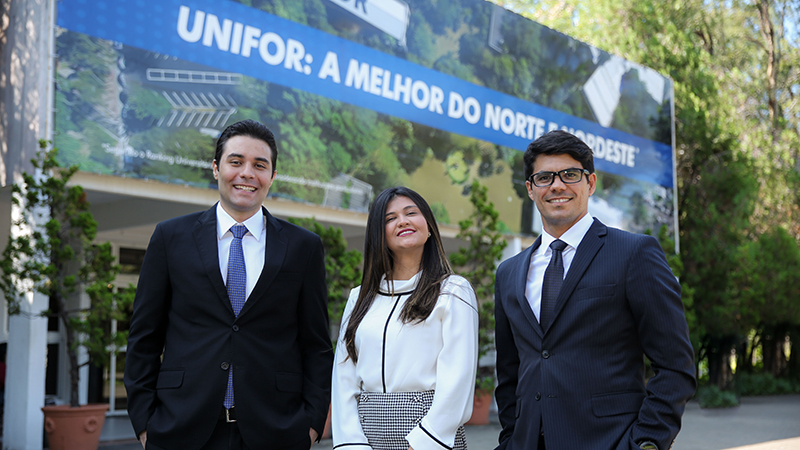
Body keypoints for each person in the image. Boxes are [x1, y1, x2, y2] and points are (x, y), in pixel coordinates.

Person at [124, 119, 333, 450]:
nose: (247, 173)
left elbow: (316, 344)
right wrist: (144, 424)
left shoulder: (303, 247)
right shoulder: (170, 237)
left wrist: (310, 424)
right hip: (180, 428)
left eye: (259, 165)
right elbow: (144, 338)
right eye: (236, 162)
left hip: (277, 431)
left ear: (272, 176)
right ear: (216, 168)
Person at [493, 130, 696, 450]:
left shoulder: (634, 253)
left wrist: (646, 443)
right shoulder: (509, 273)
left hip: (609, 442)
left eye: (570, 174)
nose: (557, 185)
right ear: (530, 189)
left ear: (590, 183)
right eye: (544, 177)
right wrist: (510, 439)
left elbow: (675, 365)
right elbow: (509, 375)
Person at [332, 186, 479, 450]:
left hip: (430, 435)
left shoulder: (453, 290)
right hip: (366, 435)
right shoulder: (359, 297)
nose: (402, 221)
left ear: (429, 226)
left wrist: (423, 443)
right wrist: (352, 444)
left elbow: (458, 378)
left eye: (411, 213)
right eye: (390, 218)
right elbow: (344, 378)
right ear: (379, 234)